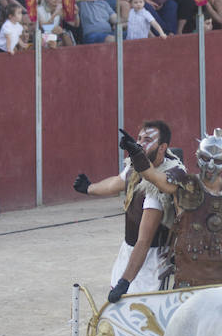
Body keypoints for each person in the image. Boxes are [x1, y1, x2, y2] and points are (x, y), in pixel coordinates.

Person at [120, 126, 222, 289]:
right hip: (187, 280)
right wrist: (137, 154)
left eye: (217, 161)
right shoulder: (184, 184)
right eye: (206, 158)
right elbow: (153, 176)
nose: (211, 166)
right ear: (198, 157)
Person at [73, 120, 181, 299]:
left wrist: (126, 281)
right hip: (130, 253)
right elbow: (117, 182)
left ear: (162, 147)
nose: (139, 144)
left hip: (151, 265)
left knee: (144, 319)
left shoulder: (160, 183)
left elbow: (144, 241)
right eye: (139, 138)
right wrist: (90, 188)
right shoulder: (135, 167)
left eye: (147, 139)